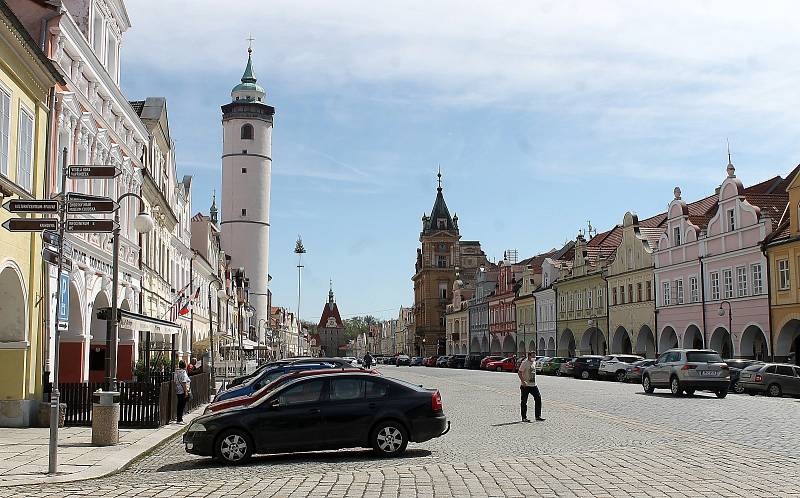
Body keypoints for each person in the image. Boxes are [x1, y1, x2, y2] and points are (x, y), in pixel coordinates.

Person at [518, 351, 544, 423]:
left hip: (533, 385)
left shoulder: (534, 362)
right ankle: (524, 418)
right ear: (529, 356)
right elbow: (519, 372)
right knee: (524, 401)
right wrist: (523, 381)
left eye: (534, 356)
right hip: (525, 386)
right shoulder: (524, 363)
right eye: (533, 356)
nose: (534, 357)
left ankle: (538, 416)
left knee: (538, 398)